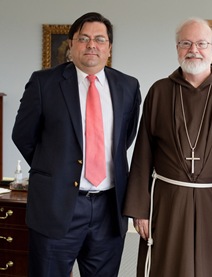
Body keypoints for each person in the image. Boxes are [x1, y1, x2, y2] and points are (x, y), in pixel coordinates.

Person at [12, 12, 141, 277]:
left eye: (99, 39)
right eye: (83, 38)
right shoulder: (44, 83)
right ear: (71, 44)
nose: (91, 44)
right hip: (55, 207)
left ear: (109, 47)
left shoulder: (127, 86)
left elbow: (124, 139)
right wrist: (54, 168)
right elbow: (22, 135)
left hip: (109, 209)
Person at [123, 17, 212, 277]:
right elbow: (143, 154)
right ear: (177, 48)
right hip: (169, 201)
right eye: (186, 43)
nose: (194, 49)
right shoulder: (160, 91)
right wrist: (140, 211)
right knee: (168, 266)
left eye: (201, 43)